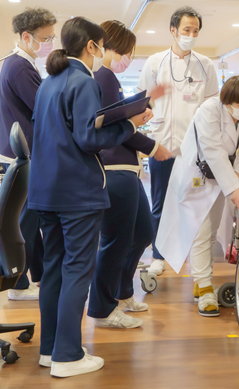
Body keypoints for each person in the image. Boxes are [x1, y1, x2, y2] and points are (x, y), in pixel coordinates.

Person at [28, 17, 152, 377]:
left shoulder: (49, 82)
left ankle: (50, 350)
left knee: (54, 270)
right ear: (92, 46)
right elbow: (88, 138)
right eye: (102, 45)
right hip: (76, 192)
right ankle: (68, 355)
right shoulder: (83, 81)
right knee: (77, 270)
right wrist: (130, 124)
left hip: (46, 190)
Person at [87, 20, 170, 329]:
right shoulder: (103, 76)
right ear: (113, 47)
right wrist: (153, 146)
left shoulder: (109, 78)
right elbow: (117, 126)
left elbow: (119, 116)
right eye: (129, 53)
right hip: (114, 169)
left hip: (127, 170)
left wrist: (144, 101)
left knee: (142, 233)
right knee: (115, 242)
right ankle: (102, 308)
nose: (129, 59)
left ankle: (122, 293)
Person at [156, 75, 239, 317]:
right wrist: (233, 186)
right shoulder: (209, 110)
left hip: (222, 176)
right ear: (227, 103)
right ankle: (204, 288)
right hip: (197, 176)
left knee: (211, 230)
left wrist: (237, 174)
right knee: (200, 230)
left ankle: (200, 280)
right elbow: (212, 151)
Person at [137, 6, 219, 276]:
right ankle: (158, 255)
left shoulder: (206, 65)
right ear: (173, 30)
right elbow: (142, 101)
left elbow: (212, 109)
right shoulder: (155, 62)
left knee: (192, 203)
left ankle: (192, 255)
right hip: (162, 145)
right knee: (160, 203)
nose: (191, 35)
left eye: (195, 31)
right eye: (186, 30)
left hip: (195, 149)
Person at [0, 7, 57, 300]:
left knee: (30, 222)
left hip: (21, 152)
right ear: (26, 36)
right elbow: (42, 108)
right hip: (22, 155)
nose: (49, 44)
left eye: (52, 38)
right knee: (26, 222)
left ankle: (38, 276)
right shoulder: (20, 67)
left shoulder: (21, 64)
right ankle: (18, 284)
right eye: (45, 39)